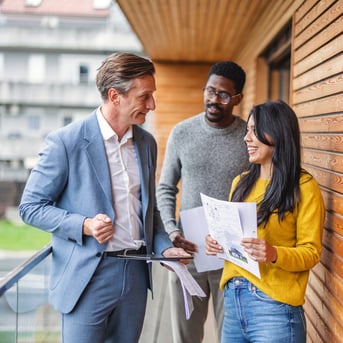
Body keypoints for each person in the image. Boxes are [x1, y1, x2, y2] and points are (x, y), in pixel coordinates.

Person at [19, 52, 191, 343]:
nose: (152, 105)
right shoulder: (66, 142)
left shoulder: (146, 143)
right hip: (87, 278)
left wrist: (165, 248)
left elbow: (148, 211)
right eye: (145, 96)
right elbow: (30, 207)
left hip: (136, 275)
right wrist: (84, 224)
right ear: (115, 96)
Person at [206, 100, 325, 342]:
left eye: (254, 130)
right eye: (247, 130)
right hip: (232, 301)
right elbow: (234, 241)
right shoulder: (240, 183)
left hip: (274, 308)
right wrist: (216, 243)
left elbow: (311, 252)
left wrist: (273, 253)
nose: (246, 138)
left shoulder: (303, 186)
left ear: (277, 133)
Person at [156, 61, 250, 343]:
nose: (213, 99)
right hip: (189, 253)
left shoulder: (249, 138)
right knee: (185, 337)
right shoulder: (182, 132)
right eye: (210, 91)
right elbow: (165, 187)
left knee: (230, 337)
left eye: (222, 95)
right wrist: (172, 231)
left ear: (237, 99)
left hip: (232, 256)